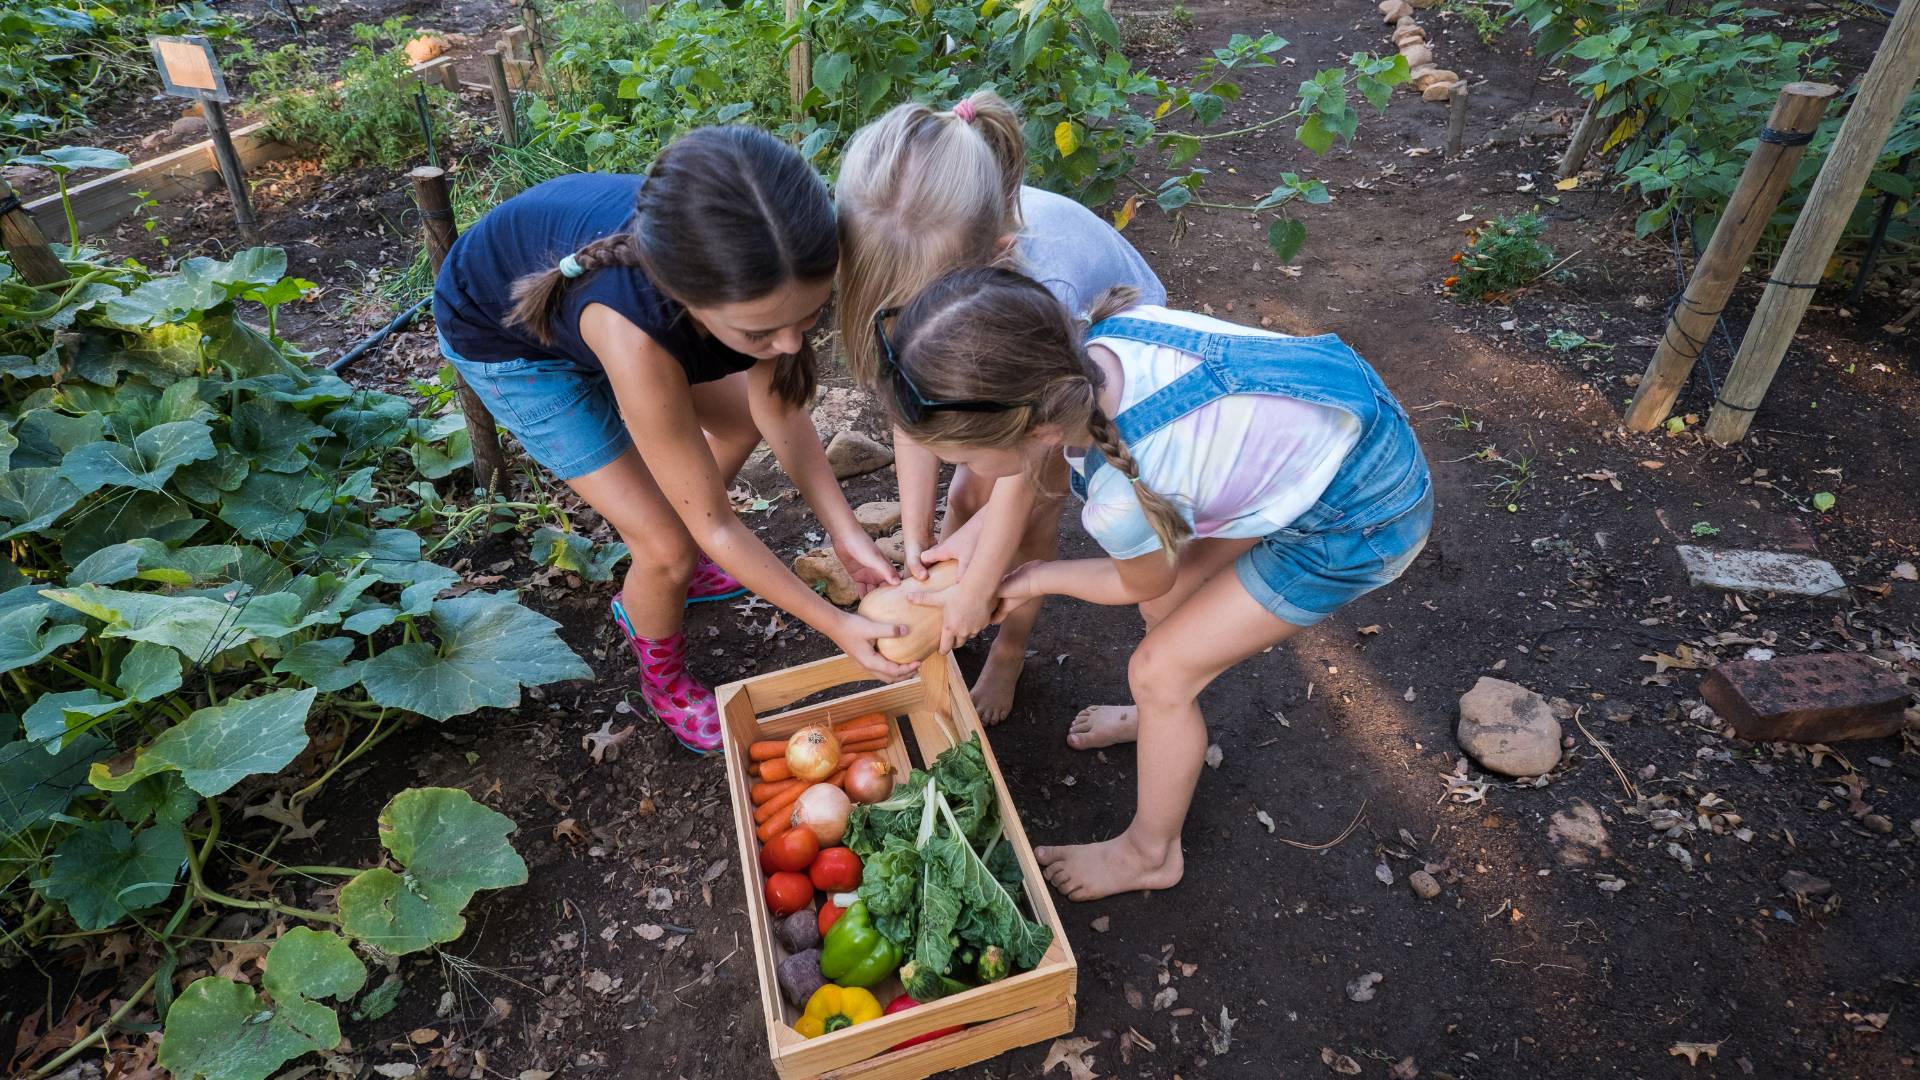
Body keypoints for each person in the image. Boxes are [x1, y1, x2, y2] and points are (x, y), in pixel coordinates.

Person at [875, 267, 1433, 901]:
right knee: (1173, 609)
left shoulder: (1120, 494)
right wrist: (964, 553)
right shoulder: (1089, 356)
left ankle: (1150, 852)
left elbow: (1136, 581)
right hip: (1333, 424)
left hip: (1359, 513)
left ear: (1036, 429)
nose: (965, 473)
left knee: (1160, 670)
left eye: (966, 459)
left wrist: (1033, 578)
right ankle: (1160, 722)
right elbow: (1025, 479)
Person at [432, 126, 911, 755]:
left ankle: (676, 551)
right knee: (666, 548)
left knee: (736, 424)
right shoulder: (639, 337)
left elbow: (780, 416)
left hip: (597, 311)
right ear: (690, 301)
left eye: (810, 317)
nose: (792, 344)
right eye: (762, 332)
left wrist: (847, 537)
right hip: (506, 339)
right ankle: (662, 675)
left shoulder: (767, 270)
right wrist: (836, 624)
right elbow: (718, 528)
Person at [835, 90, 1166, 724]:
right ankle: (952, 608)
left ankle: (1008, 650)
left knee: (1030, 516)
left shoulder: (1047, 290)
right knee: (964, 499)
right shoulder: (911, 257)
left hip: (1093, 371)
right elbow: (913, 410)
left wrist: (984, 583)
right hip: (1005, 376)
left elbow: (1028, 478)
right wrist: (916, 534)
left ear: (996, 258)